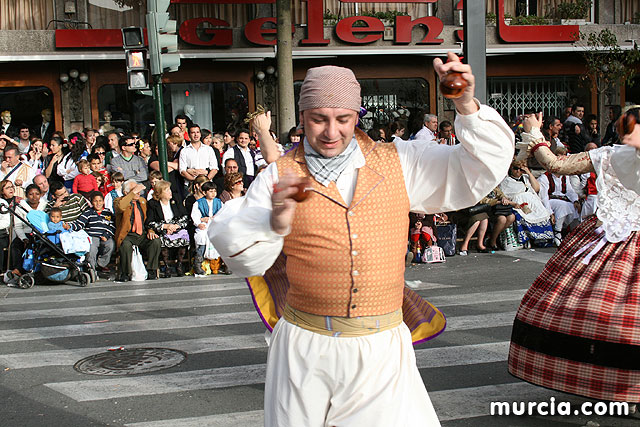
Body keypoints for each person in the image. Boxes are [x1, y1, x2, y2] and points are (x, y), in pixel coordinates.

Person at [209, 54, 514, 426]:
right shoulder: (280, 174)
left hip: (381, 351)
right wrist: (273, 221)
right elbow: (241, 255)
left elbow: (477, 170)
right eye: (319, 119)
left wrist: (465, 103)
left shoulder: (401, 160)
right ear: (302, 117)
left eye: (343, 119)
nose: (331, 132)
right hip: (304, 351)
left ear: (357, 116)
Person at [508, 107, 640, 407]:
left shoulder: (610, 155)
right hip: (614, 234)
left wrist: (535, 134)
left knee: (599, 313)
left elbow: (556, 164)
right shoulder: (609, 154)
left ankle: (612, 381)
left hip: (611, 239)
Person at [114, 179, 161, 282]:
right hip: (128, 235)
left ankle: (151, 270)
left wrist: (151, 230)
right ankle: (126, 273)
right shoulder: (119, 201)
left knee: (155, 241)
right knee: (125, 245)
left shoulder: (143, 202)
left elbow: (149, 219)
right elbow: (121, 207)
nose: (138, 192)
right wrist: (133, 193)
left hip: (142, 234)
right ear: (126, 192)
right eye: (135, 190)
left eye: (138, 190)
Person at [499, 160, 554, 248]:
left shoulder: (526, 178)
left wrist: (528, 173)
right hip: (518, 202)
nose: (518, 171)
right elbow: (504, 195)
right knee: (522, 215)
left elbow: (536, 188)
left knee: (542, 212)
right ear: (511, 169)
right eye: (516, 169)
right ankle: (526, 239)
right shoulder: (506, 181)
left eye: (520, 169)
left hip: (532, 201)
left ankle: (541, 238)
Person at [146, 180, 190, 278]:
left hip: (176, 228)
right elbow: (150, 222)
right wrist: (165, 226)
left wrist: (175, 226)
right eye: (167, 190)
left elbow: (185, 216)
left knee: (184, 237)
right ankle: (166, 267)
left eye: (169, 189)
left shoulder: (176, 199)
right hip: (163, 230)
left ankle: (179, 264)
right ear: (159, 193)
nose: (170, 192)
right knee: (161, 240)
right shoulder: (153, 204)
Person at [68, 191, 115, 274]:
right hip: (92, 235)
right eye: (95, 201)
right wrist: (70, 226)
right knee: (92, 249)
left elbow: (112, 226)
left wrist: (106, 235)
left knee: (110, 245)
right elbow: (79, 223)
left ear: (103, 201)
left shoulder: (108, 213)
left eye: (100, 201)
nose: (98, 203)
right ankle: (92, 270)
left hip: (105, 236)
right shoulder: (88, 213)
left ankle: (100, 264)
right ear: (92, 202)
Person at [191, 181, 223, 276]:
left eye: (214, 191)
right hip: (204, 226)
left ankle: (225, 263)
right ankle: (198, 262)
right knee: (201, 236)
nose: (213, 193)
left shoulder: (219, 202)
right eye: (210, 191)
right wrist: (198, 223)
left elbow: (223, 214)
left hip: (216, 225)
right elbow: (195, 215)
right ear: (204, 193)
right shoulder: (198, 203)